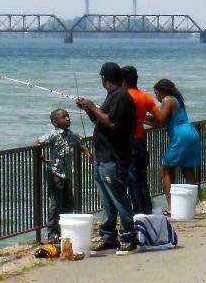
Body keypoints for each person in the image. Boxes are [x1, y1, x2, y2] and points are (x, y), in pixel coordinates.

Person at [75, 62, 136, 251]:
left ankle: (129, 235)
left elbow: (112, 123)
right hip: (103, 158)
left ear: (104, 79)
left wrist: (92, 106)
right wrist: (89, 110)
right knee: (107, 201)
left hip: (113, 159)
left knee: (119, 198)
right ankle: (108, 236)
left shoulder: (121, 96)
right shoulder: (113, 96)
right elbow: (102, 120)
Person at [146, 79, 202, 216]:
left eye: (156, 93)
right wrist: (143, 118)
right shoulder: (176, 99)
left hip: (181, 136)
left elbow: (160, 120)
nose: (157, 97)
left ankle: (172, 206)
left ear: (162, 91)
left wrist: (141, 117)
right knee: (187, 169)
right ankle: (191, 204)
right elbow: (162, 121)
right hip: (190, 133)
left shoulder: (168, 100)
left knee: (166, 169)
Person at [37, 108, 90, 242]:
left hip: (67, 174)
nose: (68, 119)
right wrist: (41, 157)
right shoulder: (53, 135)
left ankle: (65, 229)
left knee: (68, 203)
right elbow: (39, 142)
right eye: (64, 117)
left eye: (68, 116)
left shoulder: (71, 135)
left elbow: (79, 144)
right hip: (54, 173)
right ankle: (52, 233)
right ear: (55, 122)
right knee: (56, 204)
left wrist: (86, 151)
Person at [121, 65, 158, 216]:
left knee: (132, 181)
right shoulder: (146, 98)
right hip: (142, 142)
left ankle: (137, 214)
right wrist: (142, 119)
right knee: (142, 180)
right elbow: (159, 118)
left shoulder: (122, 97)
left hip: (128, 143)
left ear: (123, 80)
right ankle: (147, 211)